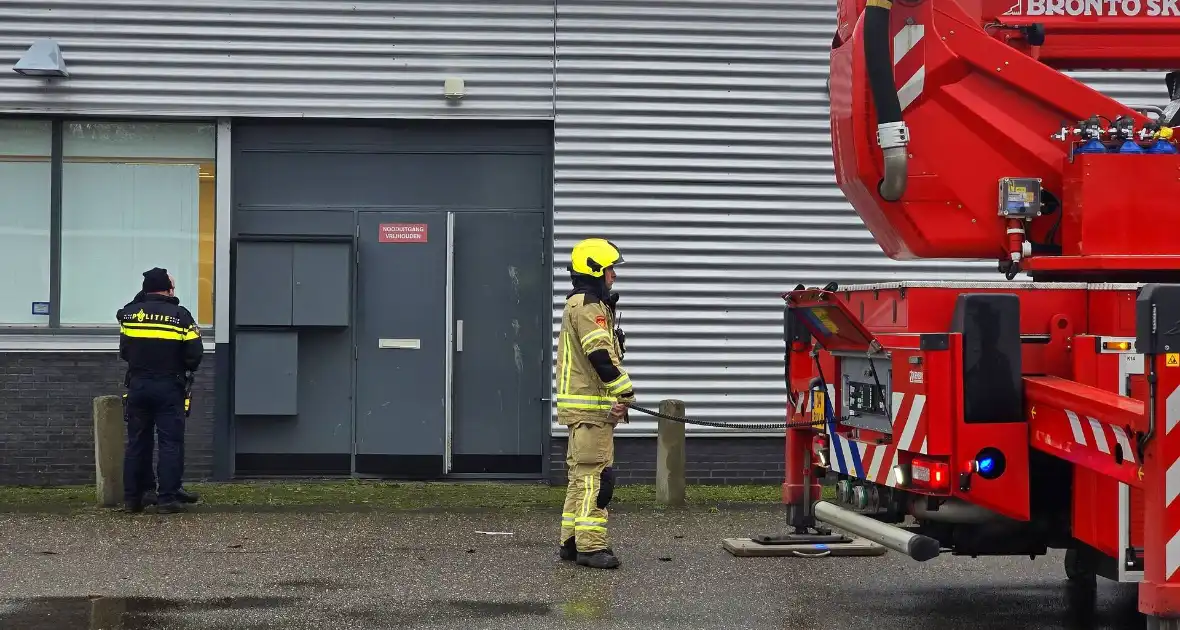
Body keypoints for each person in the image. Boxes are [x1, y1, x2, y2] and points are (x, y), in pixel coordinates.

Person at [556, 238, 635, 570]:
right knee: (596, 479)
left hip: (584, 412)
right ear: (595, 271)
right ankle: (591, 547)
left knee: (580, 478)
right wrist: (626, 393)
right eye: (609, 269)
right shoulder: (589, 307)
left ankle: (571, 542)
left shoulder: (578, 304)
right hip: (593, 411)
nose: (613, 276)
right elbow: (600, 357)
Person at [117, 268, 204, 513]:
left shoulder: (130, 315)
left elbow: (125, 351)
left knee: (137, 442)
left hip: (138, 385)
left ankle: (134, 498)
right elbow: (194, 355)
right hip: (168, 386)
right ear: (167, 289)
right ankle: (167, 498)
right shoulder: (180, 315)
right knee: (170, 443)